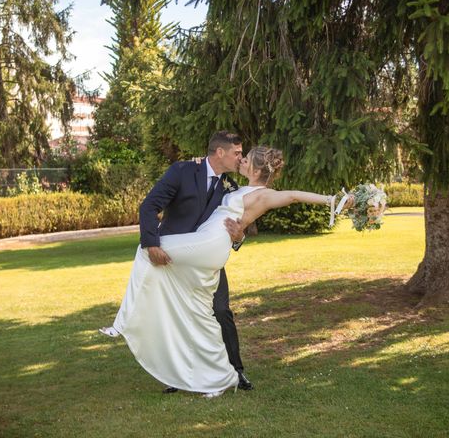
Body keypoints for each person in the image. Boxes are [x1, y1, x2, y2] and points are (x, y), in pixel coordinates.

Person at [100, 144, 353, 397]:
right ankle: (218, 379)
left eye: (246, 158)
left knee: (148, 249)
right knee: (201, 315)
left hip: (208, 245)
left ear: (255, 167)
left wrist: (333, 200)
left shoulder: (263, 194)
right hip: (204, 247)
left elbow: (294, 195)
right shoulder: (234, 185)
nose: (241, 160)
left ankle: (123, 322)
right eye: (239, 156)